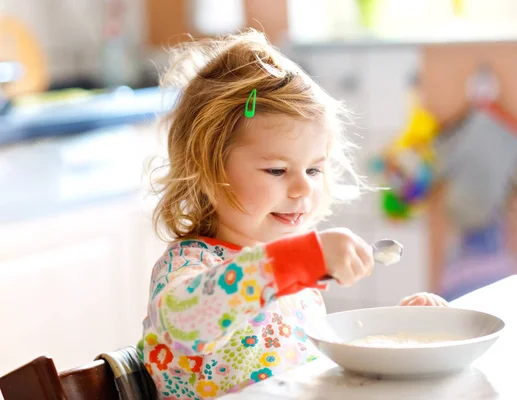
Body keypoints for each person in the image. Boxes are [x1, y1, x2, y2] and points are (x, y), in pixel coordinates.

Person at [140, 29, 447, 400]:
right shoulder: (188, 266)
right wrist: (296, 262)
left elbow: (311, 374)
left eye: (314, 170)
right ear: (209, 170)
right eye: (277, 170)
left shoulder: (295, 284)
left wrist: (399, 334)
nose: (303, 189)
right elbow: (185, 322)